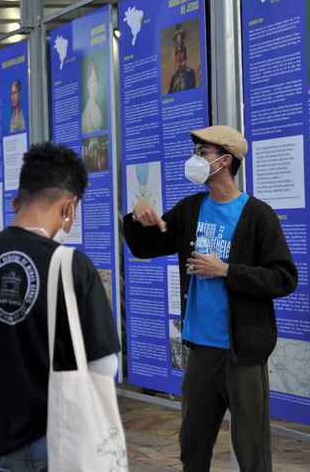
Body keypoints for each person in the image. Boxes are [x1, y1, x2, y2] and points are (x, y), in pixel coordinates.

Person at [123, 125, 298, 472]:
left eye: (203, 153)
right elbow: (147, 246)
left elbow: (284, 277)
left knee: (252, 453)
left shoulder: (258, 215)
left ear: (225, 161)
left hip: (243, 353)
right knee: (192, 446)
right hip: (201, 351)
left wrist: (227, 271)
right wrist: (137, 219)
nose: (195, 160)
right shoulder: (190, 209)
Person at [0, 142, 121, 471]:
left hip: (5, 436)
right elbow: (104, 367)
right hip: (65, 434)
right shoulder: (72, 264)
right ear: (69, 207)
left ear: (19, 200)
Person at [168, 25, 197, 94]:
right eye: (177, 39)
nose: (179, 41)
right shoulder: (173, 78)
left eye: (180, 38)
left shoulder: (190, 73)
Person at [81, 61, 103, 134]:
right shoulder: (86, 113)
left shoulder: (98, 107)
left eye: (95, 81)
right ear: (87, 85)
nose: (94, 85)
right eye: (91, 81)